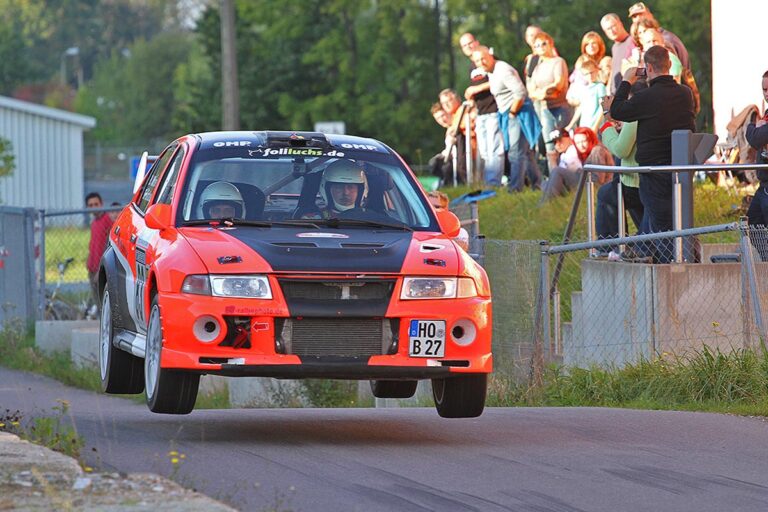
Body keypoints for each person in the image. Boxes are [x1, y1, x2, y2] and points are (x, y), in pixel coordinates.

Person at [609, 45, 696, 263]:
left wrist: (626, 81)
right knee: (660, 216)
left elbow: (616, 110)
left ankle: (670, 264)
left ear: (648, 68)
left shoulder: (646, 97)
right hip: (679, 166)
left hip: (652, 170)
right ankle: (641, 249)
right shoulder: (685, 93)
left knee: (661, 223)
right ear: (669, 65)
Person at [472, 45, 540, 191]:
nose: (481, 62)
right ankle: (538, 184)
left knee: (516, 153)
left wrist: (512, 113)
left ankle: (515, 189)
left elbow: (520, 92)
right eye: (477, 61)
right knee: (525, 152)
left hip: (518, 112)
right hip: (507, 113)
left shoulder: (502, 70)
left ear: (491, 55)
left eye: (484, 58)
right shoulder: (490, 72)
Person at [594, 80, 648, 256]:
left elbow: (621, 149)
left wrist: (607, 123)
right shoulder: (655, 109)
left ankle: (611, 246)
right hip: (647, 179)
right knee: (635, 205)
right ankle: (641, 242)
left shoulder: (636, 115)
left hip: (636, 181)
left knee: (606, 194)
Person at [460, 33, 504, 186]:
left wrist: (476, 89)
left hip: (494, 109)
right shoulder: (472, 66)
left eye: (470, 43)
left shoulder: (489, 58)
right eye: (464, 45)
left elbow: (499, 80)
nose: (468, 47)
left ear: (476, 42)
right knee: (484, 151)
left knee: (494, 149)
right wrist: (472, 99)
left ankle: (493, 184)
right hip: (481, 112)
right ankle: (486, 183)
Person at [527, 31, 572, 173]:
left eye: (543, 44)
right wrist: (544, 93)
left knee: (564, 142)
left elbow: (559, 84)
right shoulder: (537, 68)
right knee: (549, 146)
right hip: (546, 109)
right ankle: (554, 177)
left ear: (550, 44)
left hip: (561, 107)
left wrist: (544, 92)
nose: (540, 47)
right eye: (537, 45)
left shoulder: (558, 61)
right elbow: (531, 91)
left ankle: (569, 175)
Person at [628, 2, 690, 71]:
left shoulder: (666, 40)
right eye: (634, 16)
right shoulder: (640, 53)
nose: (638, 18)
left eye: (641, 14)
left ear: (650, 15)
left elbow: (674, 71)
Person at [745, 70, 768, 258]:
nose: (766, 93)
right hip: (763, 184)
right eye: (764, 89)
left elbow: (756, 138)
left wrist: (753, 127)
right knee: (752, 223)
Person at [565, 60, 609, 133]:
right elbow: (580, 108)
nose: (590, 76)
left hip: (596, 127)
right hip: (584, 125)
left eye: (592, 72)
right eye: (586, 74)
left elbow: (603, 107)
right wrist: (570, 125)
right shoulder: (584, 89)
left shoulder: (600, 86)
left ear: (596, 71)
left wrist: (596, 126)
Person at [86, 192, 113, 310]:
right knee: (97, 301)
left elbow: (109, 246)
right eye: (90, 205)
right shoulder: (94, 222)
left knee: (103, 302)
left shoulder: (107, 220)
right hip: (92, 268)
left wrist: (100, 271)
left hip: (101, 269)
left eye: (96, 204)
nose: (94, 207)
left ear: (101, 204)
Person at [540, 129, 582, 201]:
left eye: (560, 141)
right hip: (573, 181)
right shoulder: (564, 154)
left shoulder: (573, 151)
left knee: (556, 173)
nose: (557, 145)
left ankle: (545, 203)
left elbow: (559, 174)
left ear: (569, 138)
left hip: (581, 181)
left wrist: (553, 162)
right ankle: (549, 199)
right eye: (555, 142)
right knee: (544, 183)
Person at [600, 13, 636, 94]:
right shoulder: (614, 47)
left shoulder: (633, 41)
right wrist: (609, 87)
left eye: (613, 26)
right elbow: (614, 69)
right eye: (608, 29)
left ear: (620, 24)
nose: (612, 31)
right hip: (616, 94)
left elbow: (641, 69)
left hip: (630, 93)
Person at [428, 102, 455, 183]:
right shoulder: (449, 130)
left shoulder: (456, 127)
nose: (442, 120)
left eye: (443, 115)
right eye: (438, 118)